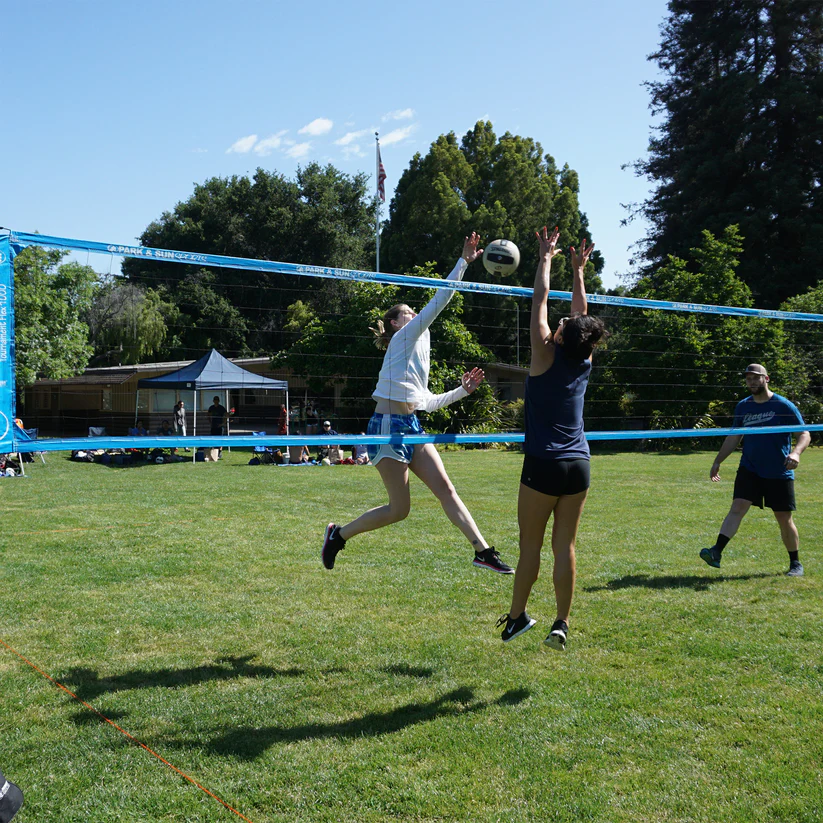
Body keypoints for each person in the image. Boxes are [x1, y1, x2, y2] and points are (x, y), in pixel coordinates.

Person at [322, 232, 512, 574]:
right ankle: (339, 535)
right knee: (399, 510)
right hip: (386, 428)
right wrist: (464, 263)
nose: (414, 315)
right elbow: (439, 301)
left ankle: (482, 550)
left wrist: (462, 392)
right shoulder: (403, 339)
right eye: (408, 313)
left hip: (412, 426)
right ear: (396, 325)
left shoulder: (418, 351)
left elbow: (427, 402)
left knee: (447, 489)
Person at [497, 227, 607, 650]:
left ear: (560, 336)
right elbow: (580, 316)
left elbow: (540, 301)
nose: (560, 322)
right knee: (566, 546)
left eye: (562, 325)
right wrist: (578, 271)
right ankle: (561, 623)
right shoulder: (584, 358)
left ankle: (515, 618)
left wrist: (546, 257)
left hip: (543, 463)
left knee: (530, 548)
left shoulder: (543, 354)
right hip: (579, 464)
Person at [700, 363, 810, 577]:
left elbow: (804, 434)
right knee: (737, 507)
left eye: (755, 378)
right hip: (749, 468)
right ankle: (716, 552)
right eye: (748, 378)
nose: (751, 382)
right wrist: (717, 461)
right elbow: (734, 436)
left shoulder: (783, 405)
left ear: (766, 379)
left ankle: (795, 563)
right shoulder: (743, 406)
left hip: (778, 471)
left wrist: (796, 453)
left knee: (783, 518)